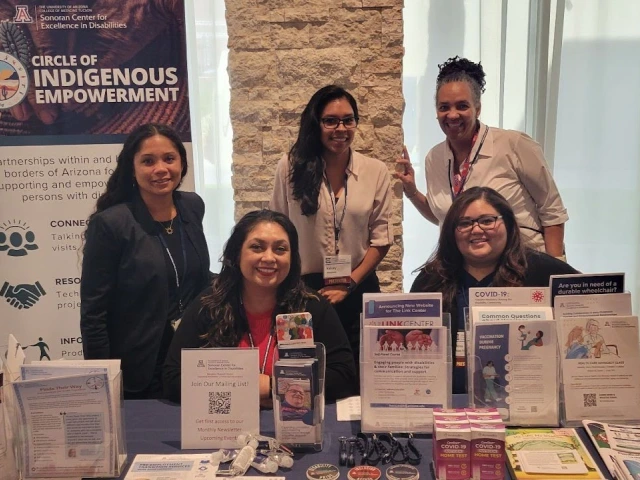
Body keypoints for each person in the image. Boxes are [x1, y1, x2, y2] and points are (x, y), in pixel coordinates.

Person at [162, 210, 357, 404]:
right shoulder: (209, 305)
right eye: (257, 247)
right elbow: (173, 378)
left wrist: (274, 386)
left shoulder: (312, 307)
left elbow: (343, 376)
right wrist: (247, 387)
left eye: (280, 249)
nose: (269, 258)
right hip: (228, 426)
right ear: (237, 253)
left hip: (295, 426)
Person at [80, 123, 211, 399]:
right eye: (148, 161)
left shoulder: (192, 206)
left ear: (182, 163)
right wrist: (102, 380)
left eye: (169, 159)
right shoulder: (111, 224)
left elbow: (196, 276)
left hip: (192, 357)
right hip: (138, 368)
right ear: (132, 167)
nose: (161, 169)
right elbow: (94, 314)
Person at [270, 85, 393, 375]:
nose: (341, 128)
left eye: (348, 120)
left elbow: (381, 239)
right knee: (302, 374)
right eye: (331, 121)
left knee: (361, 374)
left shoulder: (375, 171)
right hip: (303, 291)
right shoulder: (289, 168)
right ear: (316, 123)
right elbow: (277, 232)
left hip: (358, 286)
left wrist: (348, 283)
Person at [396, 56, 568, 258]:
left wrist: (555, 270)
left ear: (478, 108)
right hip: (468, 269)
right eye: (444, 107)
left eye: (462, 106)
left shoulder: (513, 145)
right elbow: (445, 218)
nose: (452, 115)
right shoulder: (434, 158)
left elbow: (552, 209)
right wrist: (412, 192)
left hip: (523, 265)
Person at [410, 187, 578, 393]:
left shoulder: (545, 271)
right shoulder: (430, 279)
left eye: (487, 220)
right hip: (449, 405)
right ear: (451, 231)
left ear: (507, 223)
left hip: (528, 401)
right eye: (464, 223)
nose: (477, 230)